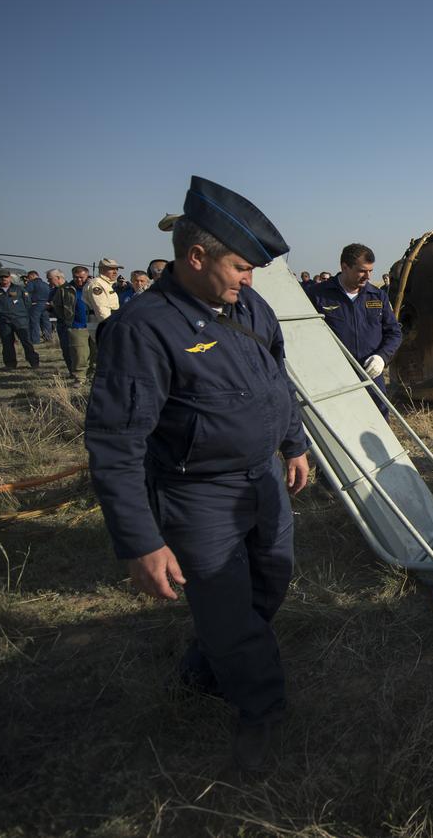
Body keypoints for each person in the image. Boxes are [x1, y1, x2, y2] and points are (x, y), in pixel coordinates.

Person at [85, 176, 309, 772]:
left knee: (271, 582)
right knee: (230, 610)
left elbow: (277, 380)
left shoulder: (249, 307)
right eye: (240, 266)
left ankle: (206, 664)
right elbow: (115, 444)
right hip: (198, 494)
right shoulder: (143, 329)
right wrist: (141, 541)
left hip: (264, 480)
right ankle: (262, 713)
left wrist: (293, 443)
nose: (249, 280)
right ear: (196, 256)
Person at [310, 243, 403, 404]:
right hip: (334, 380)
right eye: (362, 271)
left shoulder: (377, 296)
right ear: (344, 267)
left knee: (378, 423)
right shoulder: (317, 295)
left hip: (372, 378)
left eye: (370, 271)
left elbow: (394, 333)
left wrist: (382, 358)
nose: (367, 276)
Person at [0, 269, 40, 369]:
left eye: (6, 277)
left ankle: (33, 362)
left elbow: (27, 303)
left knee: (26, 341)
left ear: (10, 278)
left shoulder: (19, 289)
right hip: (4, 321)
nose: (4, 279)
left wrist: (22, 314)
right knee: (7, 343)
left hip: (20, 319)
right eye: (1, 277)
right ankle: (10, 364)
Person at [45, 269, 77, 375]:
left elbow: (70, 308)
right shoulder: (54, 291)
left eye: (50, 279)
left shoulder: (68, 289)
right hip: (61, 323)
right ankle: (72, 371)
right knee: (65, 350)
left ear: (58, 278)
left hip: (70, 324)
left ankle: (77, 372)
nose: (49, 282)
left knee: (73, 350)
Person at [84, 258, 122, 326]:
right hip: (102, 326)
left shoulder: (106, 284)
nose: (115, 272)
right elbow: (101, 310)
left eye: (116, 269)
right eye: (112, 269)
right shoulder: (97, 284)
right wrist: (110, 326)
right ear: (102, 270)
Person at [23, 270, 53, 344]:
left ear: (33, 276)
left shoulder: (32, 284)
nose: (28, 279)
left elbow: (25, 293)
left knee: (34, 322)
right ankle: (48, 338)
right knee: (46, 322)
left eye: (29, 277)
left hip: (36, 305)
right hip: (46, 305)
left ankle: (35, 339)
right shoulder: (46, 284)